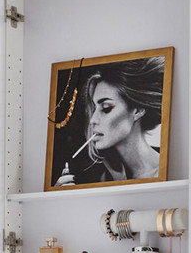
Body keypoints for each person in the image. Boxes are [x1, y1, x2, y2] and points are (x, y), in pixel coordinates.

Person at [55, 56, 165, 185]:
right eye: (94, 108)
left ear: (137, 111)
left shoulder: (167, 170)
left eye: (106, 108)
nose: (92, 120)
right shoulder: (89, 177)